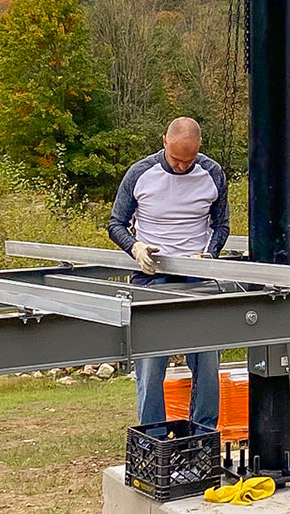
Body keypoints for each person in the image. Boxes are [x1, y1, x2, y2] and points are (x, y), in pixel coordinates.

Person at [107, 117, 230, 430]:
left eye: (188, 161)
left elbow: (222, 225)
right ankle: (154, 436)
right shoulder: (140, 174)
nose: (181, 167)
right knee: (150, 367)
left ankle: (202, 431)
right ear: (164, 142)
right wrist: (135, 248)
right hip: (152, 278)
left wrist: (211, 254)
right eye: (176, 159)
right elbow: (115, 224)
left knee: (206, 363)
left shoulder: (212, 173)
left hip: (197, 278)